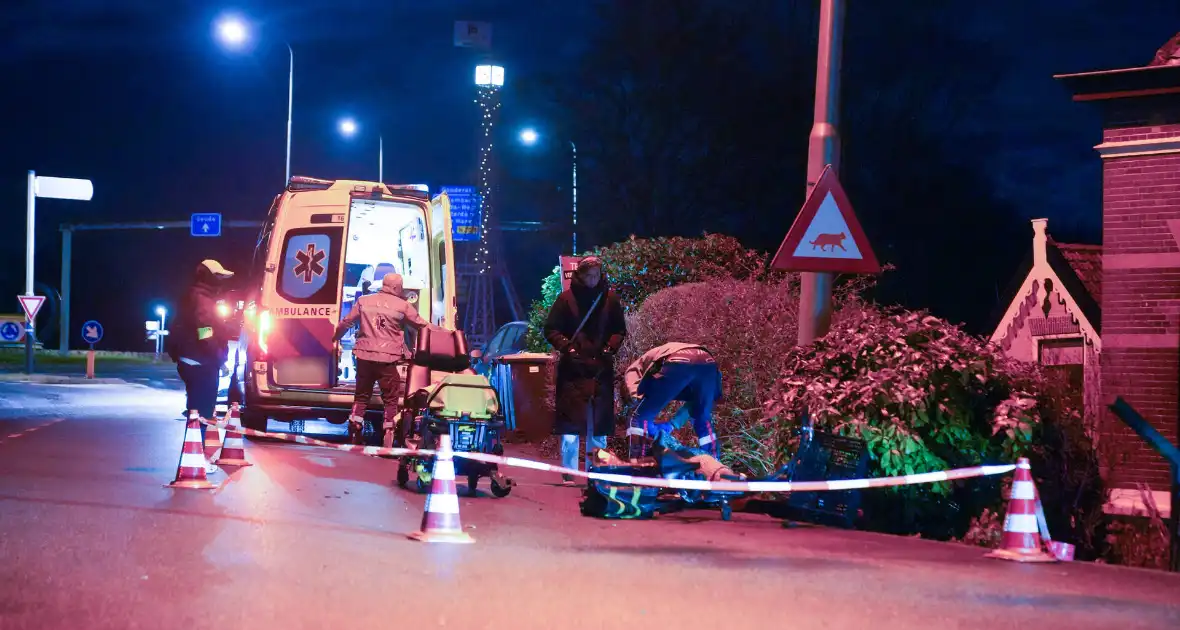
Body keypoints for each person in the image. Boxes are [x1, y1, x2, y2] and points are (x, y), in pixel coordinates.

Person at [543, 256, 627, 485]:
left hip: (600, 368)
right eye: (589, 275)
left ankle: (596, 472)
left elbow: (620, 329)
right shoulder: (566, 300)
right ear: (580, 275)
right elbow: (550, 329)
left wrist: (610, 347)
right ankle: (570, 472)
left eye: (596, 275)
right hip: (573, 369)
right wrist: (567, 348)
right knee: (571, 425)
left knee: (598, 425)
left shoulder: (609, 300)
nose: (593, 280)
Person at [333, 273, 429, 446]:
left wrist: (334, 338)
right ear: (396, 287)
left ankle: (355, 426)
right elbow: (422, 325)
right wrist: (445, 333)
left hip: (364, 356)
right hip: (389, 360)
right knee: (390, 399)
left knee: (361, 396)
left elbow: (346, 322)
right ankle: (389, 432)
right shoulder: (403, 306)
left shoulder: (364, 301)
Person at [168, 259, 238, 471]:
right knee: (202, 412)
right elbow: (204, 330)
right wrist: (218, 357)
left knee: (196, 410)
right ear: (208, 277)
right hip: (200, 361)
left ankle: (194, 457)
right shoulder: (202, 299)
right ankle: (196, 459)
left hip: (193, 359)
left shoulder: (196, 295)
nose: (221, 282)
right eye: (218, 277)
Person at [622, 343, 722, 460]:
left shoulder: (633, 370)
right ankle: (715, 462)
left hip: (678, 360)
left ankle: (638, 463)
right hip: (708, 363)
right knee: (702, 416)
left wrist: (637, 404)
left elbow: (636, 394)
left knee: (638, 417)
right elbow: (694, 404)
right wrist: (673, 424)